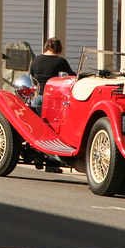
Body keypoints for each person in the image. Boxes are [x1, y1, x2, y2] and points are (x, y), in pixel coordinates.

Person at [28, 37, 74, 173]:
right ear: (58, 48)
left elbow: (31, 76)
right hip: (52, 100)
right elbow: (70, 77)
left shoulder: (36, 59)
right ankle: (51, 163)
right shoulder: (60, 61)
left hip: (36, 98)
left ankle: (37, 155)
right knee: (51, 131)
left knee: (38, 129)